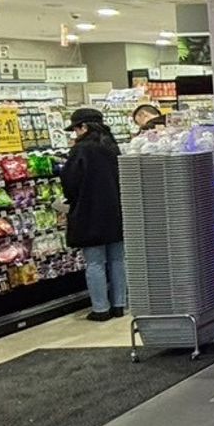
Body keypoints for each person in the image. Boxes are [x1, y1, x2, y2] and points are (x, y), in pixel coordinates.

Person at [62, 108, 126, 321]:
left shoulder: (81, 150)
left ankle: (100, 309)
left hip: (89, 213)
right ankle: (119, 305)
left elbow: (70, 182)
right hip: (116, 211)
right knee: (117, 260)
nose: (75, 133)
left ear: (84, 127)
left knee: (95, 262)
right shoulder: (113, 146)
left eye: (76, 129)